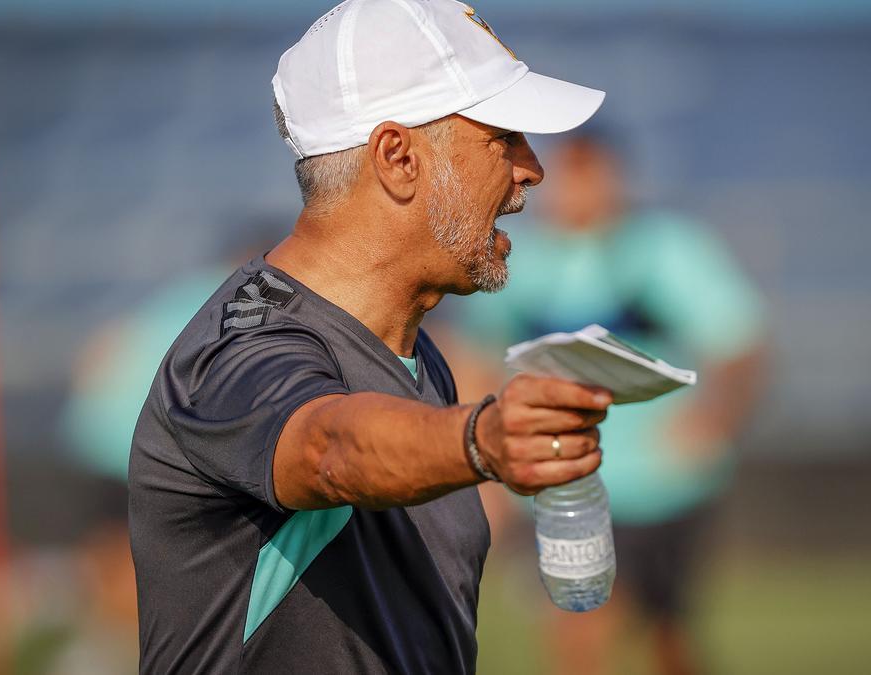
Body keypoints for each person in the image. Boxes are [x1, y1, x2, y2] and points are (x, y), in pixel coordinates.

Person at [128, 1, 609, 673]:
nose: (532, 169)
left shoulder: (416, 354)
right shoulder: (237, 347)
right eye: (504, 137)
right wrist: (480, 440)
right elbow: (331, 447)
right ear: (398, 158)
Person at [454, 131, 768, 675]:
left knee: (669, 640)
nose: (575, 189)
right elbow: (475, 353)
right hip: (561, 482)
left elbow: (740, 344)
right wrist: (481, 460)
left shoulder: (667, 249)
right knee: (580, 627)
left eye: (589, 173)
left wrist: (713, 422)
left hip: (663, 486)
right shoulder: (516, 256)